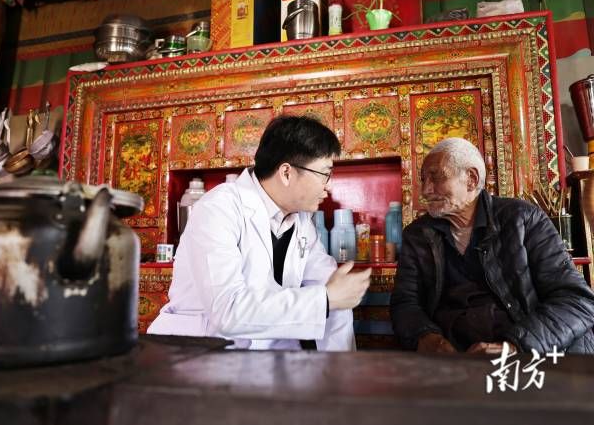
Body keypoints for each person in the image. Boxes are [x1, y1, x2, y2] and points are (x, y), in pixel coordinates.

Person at [148, 116, 371, 350]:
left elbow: (334, 297)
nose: (329, 185)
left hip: (268, 358)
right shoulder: (219, 208)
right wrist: (325, 300)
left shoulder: (302, 221)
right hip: (198, 353)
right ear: (286, 173)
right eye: (325, 174)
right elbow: (228, 311)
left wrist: (340, 367)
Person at [390, 137, 594, 354]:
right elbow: (405, 303)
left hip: (527, 352)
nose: (425, 190)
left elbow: (576, 301)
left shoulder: (523, 219)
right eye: (423, 180)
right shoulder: (418, 235)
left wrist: (514, 347)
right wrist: (427, 338)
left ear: (471, 179)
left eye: (436, 177)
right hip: (454, 358)